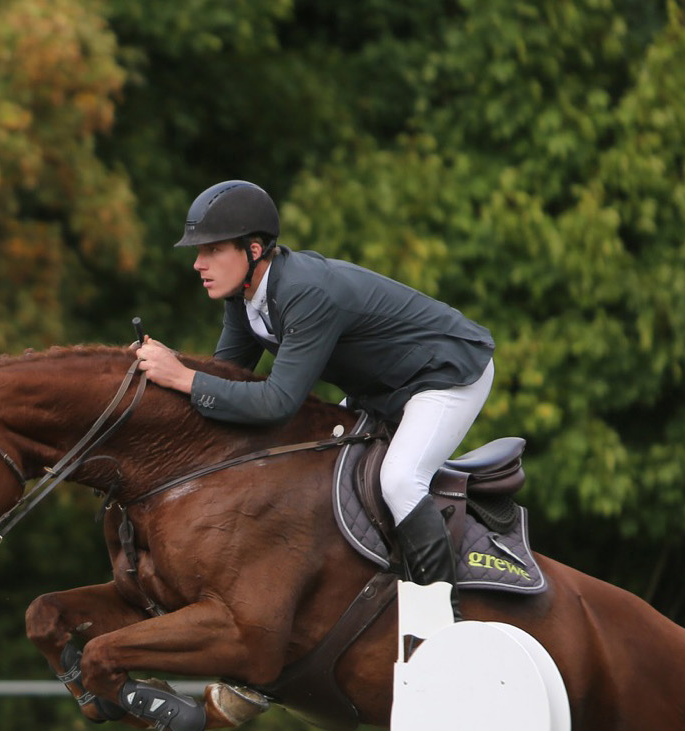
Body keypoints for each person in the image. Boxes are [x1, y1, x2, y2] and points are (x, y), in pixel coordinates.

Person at [135, 179, 495, 605]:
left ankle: (441, 618)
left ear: (253, 250)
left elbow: (276, 403)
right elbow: (226, 378)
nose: (198, 263)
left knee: (399, 480)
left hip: (446, 373)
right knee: (312, 465)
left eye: (211, 250)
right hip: (380, 388)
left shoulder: (305, 292)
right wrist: (164, 370)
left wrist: (181, 376)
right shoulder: (244, 298)